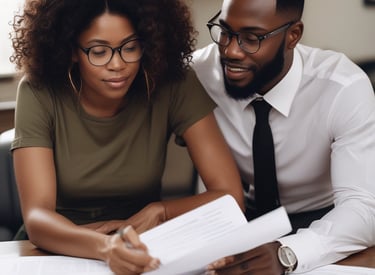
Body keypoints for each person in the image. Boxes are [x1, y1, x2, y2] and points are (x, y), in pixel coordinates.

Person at [9, 0, 245, 274]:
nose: (118, 64)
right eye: (99, 52)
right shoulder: (38, 91)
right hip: (57, 250)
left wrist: (162, 211)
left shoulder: (174, 83)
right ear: (72, 50)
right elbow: (38, 218)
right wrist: (105, 247)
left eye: (130, 47)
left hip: (145, 246)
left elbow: (230, 196)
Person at [191, 0, 375, 274]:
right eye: (225, 31)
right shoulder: (200, 73)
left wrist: (287, 253)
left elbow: (364, 207)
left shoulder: (342, 87)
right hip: (234, 221)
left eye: (251, 39)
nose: (230, 50)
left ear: (293, 35)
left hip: (324, 222)